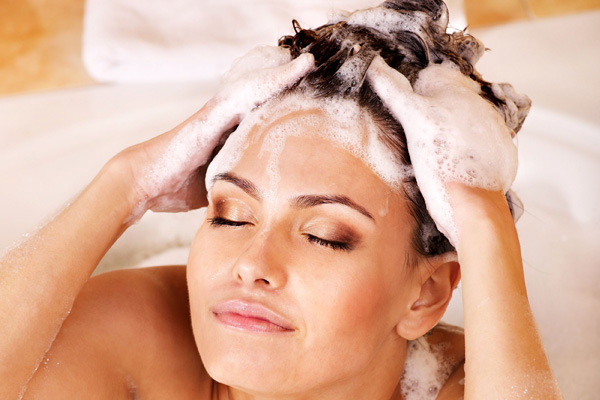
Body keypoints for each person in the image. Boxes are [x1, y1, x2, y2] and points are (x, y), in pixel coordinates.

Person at [1, 1, 562, 399]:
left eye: (324, 235)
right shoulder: (138, 337)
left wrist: (485, 228)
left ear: (426, 294)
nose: (252, 265)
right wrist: (125, 184)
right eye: (231, 216)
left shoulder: (459, 384)